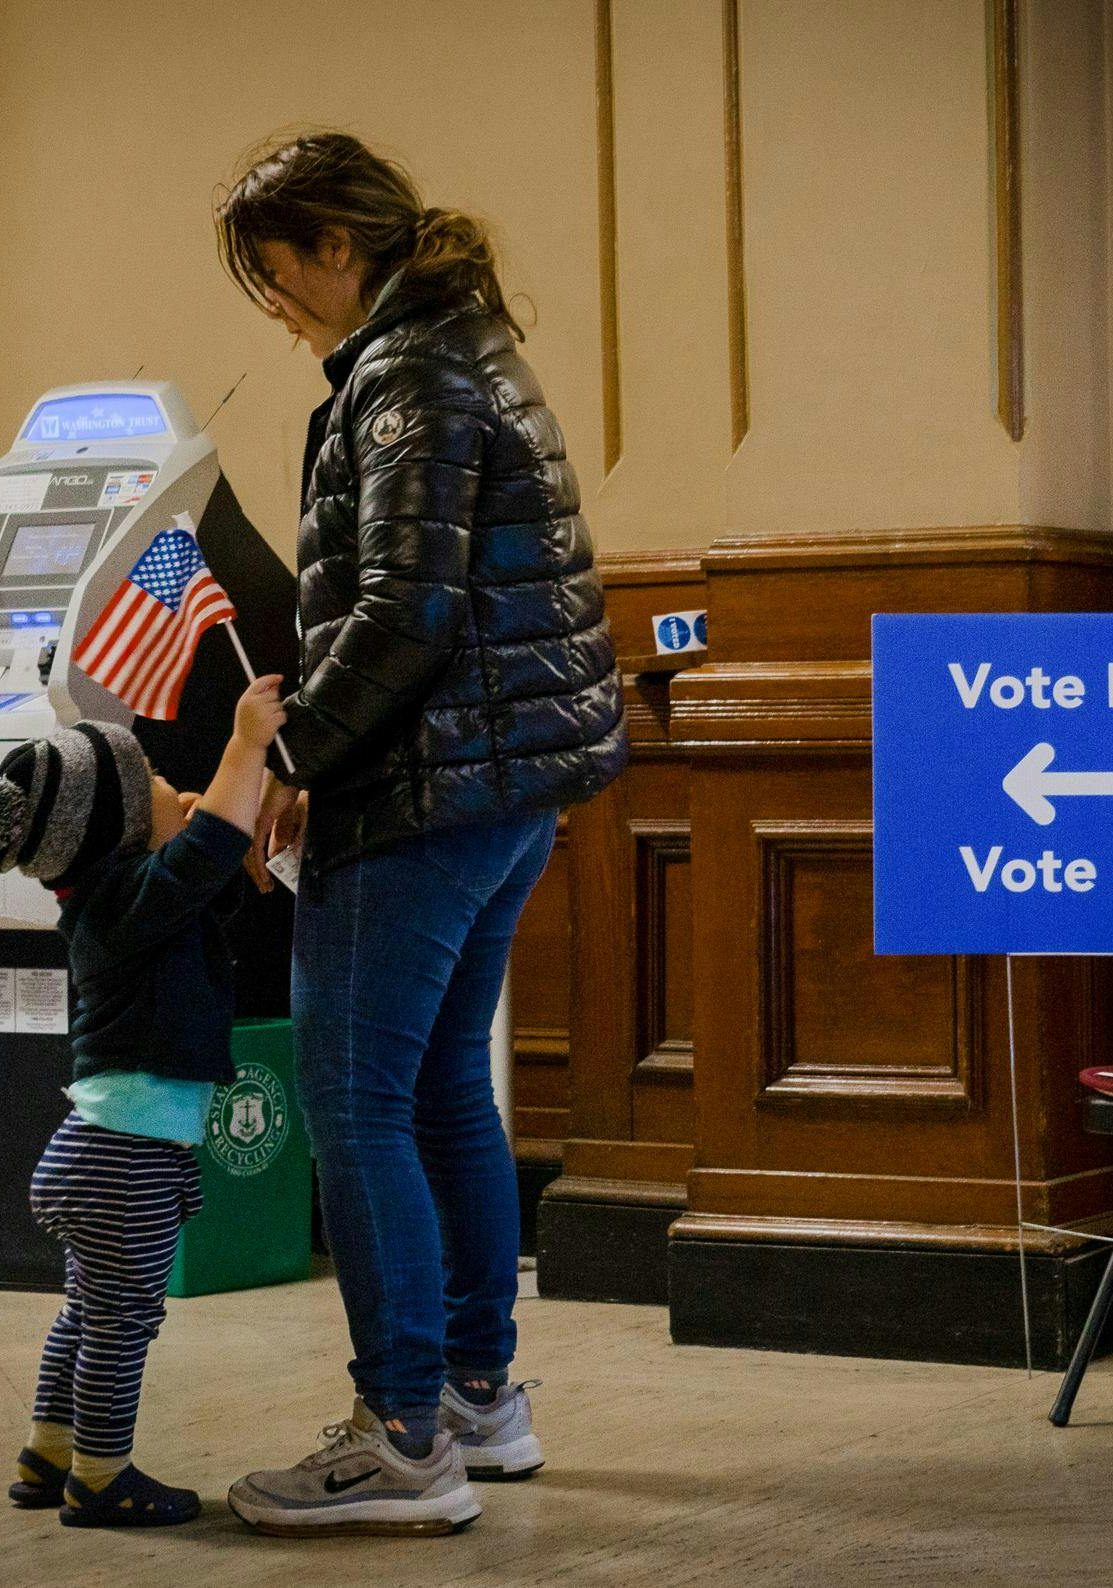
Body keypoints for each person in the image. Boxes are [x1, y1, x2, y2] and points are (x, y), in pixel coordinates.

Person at [215, 132, 628, 1537]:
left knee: (351, 1098)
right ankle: (475, 1397)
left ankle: (399, 1437)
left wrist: (296, 755)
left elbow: (402, 612)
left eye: (274, 275)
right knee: (446, 1085)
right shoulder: (469, 344)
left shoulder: (405, 377)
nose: (275, 309)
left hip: (426, 789)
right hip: (506, 786)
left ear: (338, 246)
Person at [0, 674, 287, 1529]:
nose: (180, 790)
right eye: (158, 790)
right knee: (121, 1324)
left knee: (87, 1311)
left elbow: (205, 867)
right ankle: (102, 1476)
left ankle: (48, 1451)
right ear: (122, 832)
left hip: (101, 1154)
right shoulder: (126, 900)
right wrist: (246, 741)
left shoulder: (111, 904)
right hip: (119, 1158)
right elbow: (207, 844)